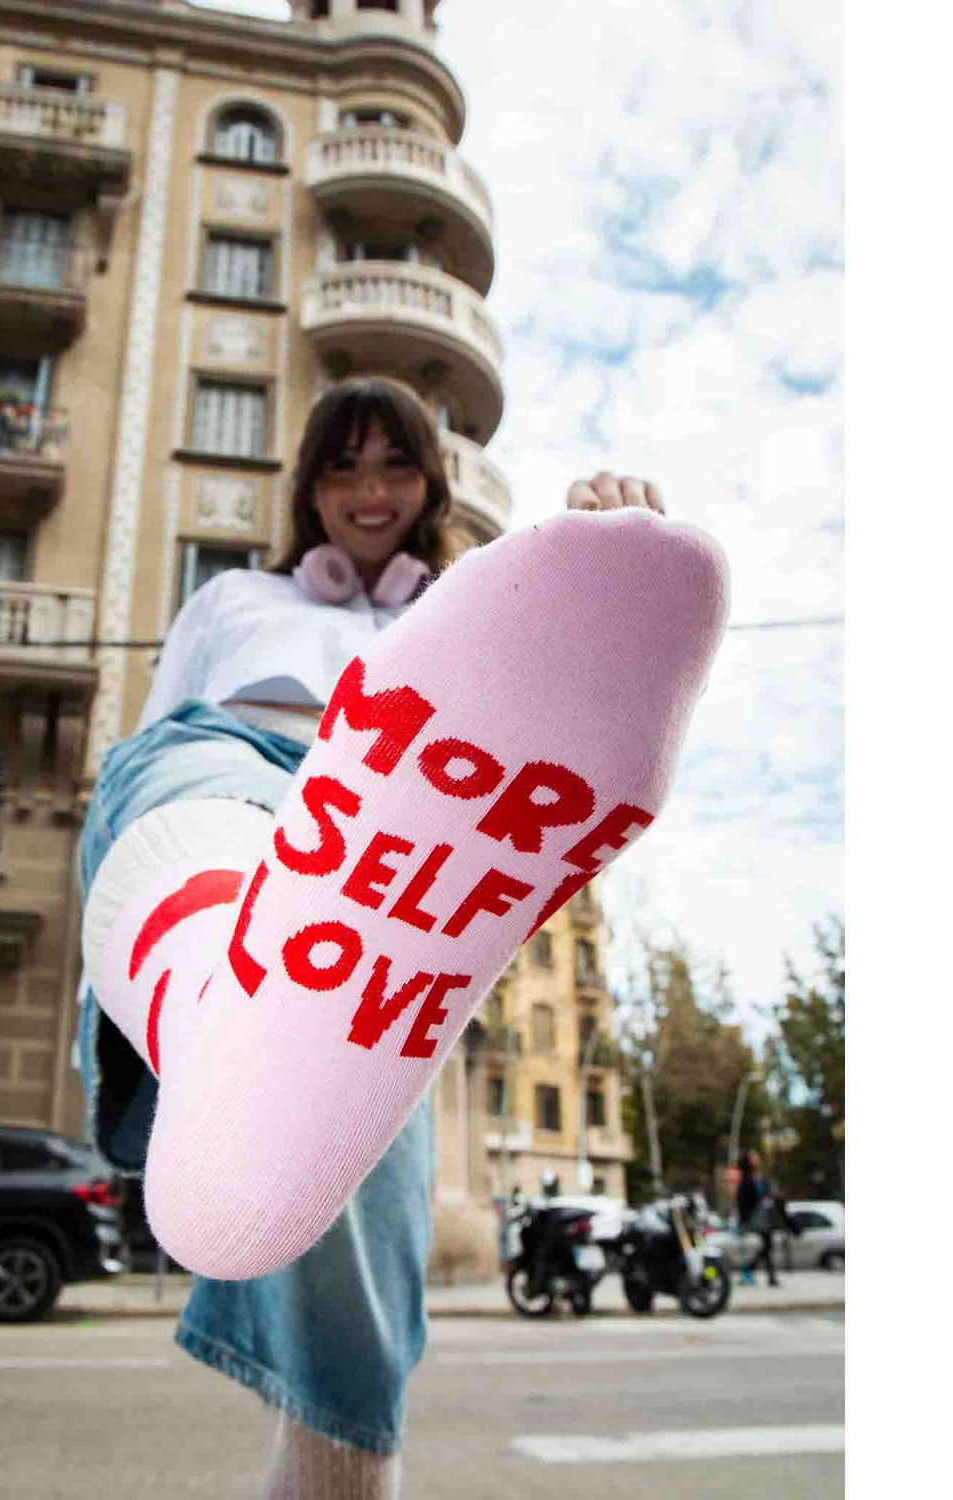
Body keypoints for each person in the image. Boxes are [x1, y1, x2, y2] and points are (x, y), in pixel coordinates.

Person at [75, 375, 726, 1497]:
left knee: (354, 1244)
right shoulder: (234, 599)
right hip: (235, 782)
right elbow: (144, 746)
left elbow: (579, 592)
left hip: (394, 855)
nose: (369, 490)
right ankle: (215, 1000)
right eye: (343, 467)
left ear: (431, 483)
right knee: (190, 790)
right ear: (310, 490)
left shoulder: (473, 599)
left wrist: (595, 557)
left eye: (394, 465)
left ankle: (254, 1024)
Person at [737, 1150, 781, 1288]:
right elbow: (742, 1201)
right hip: (754, 1216)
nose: (757, 1159)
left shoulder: (761, 1176)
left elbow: (766, 1194)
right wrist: (743, 1220)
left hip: (764, 1215)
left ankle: (766, 1275)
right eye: (754, 1157)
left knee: (768, 1245)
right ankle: (763, 1273)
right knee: (767, 1245)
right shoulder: (746, 1178)